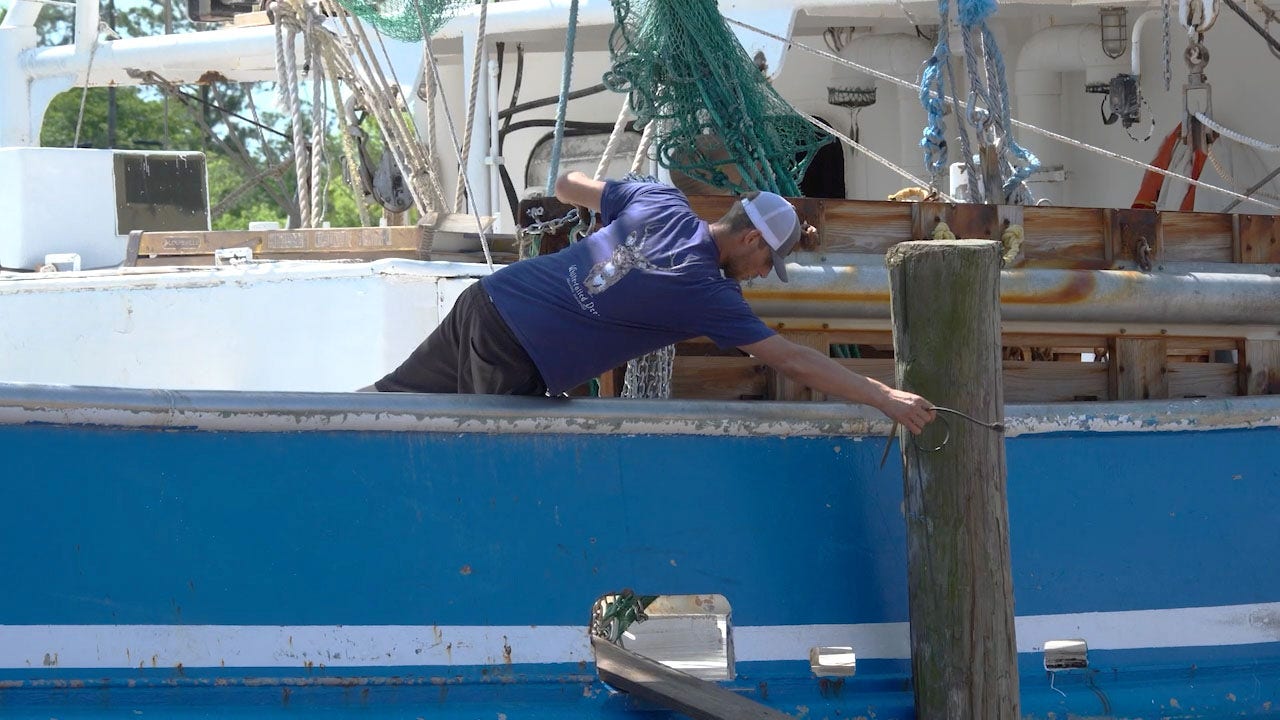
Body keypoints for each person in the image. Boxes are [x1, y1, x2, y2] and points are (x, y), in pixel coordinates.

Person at [373, 171, 936, 435]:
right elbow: (792, 360)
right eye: (770, 261)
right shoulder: (708, 293)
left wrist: (599, 220)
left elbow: (566, 184)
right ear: (750, 239)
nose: (765, 274)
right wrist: (885, 396)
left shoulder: (660, 199)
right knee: (485, 461)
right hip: (515, 349)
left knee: (387, 404)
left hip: (489, 299)